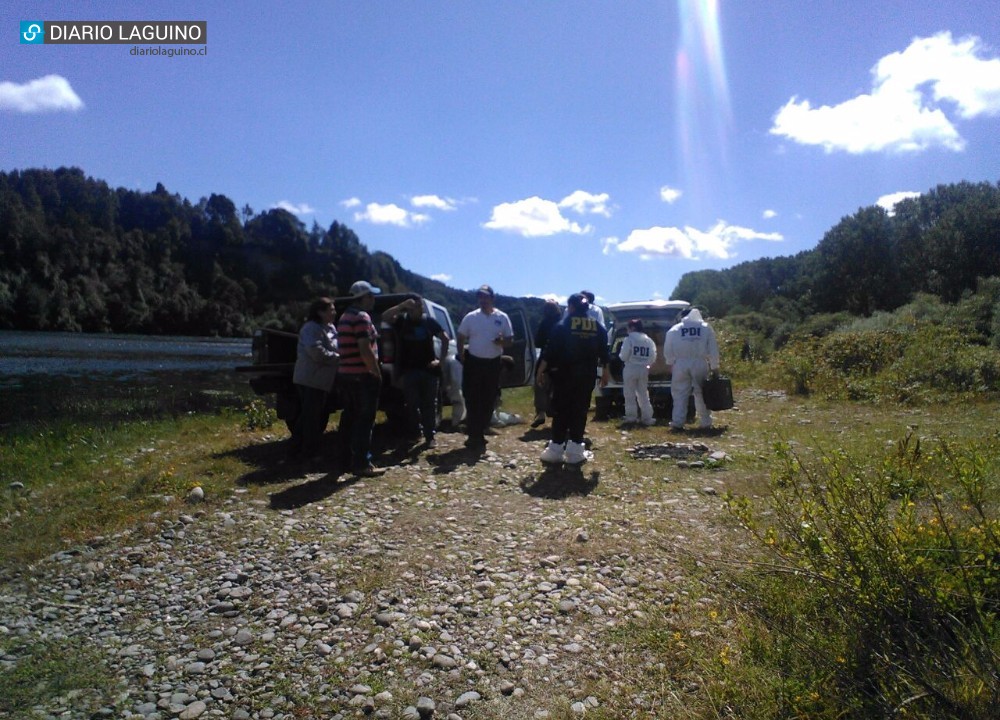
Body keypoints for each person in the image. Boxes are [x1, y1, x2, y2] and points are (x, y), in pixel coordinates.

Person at [537, 293, 610, 465]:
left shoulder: (563, 324)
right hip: (586, 376)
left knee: (561, 409)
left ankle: (555, 448)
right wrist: (606, 372)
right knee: (580, 410)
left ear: (570, 307)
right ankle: (575, 449)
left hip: (564, 374)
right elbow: (604, 352)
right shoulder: (597, 327)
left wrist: (541, 370)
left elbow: (550, 350)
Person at [382, 295, 450, 448]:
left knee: (430, 404)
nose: (417, 310)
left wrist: (441, 361)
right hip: (408, 370)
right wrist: (401, 306)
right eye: (413, 307)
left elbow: (445, 337)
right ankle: (415, 433)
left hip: (429, 369)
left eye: (419, 307)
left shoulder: (429, 321)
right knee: (411, 405)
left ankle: (430, 436)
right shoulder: (402, 321)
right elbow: (385, 317)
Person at [336, 280, 384, 476]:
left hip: (345, 375)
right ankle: (362, 463)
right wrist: (375, 372)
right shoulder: (362, 317)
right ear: (363, 297)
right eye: (371, 296)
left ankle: (344, 460)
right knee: (365, 419)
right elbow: (365, 348)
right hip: (362, 376)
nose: (373, 299)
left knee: (349, 417)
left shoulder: (344, 316)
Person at [456, 285, 513, 450]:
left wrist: (501, 342)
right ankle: (474, 434)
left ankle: (480, 430)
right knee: (472, 397)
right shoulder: (471, 317)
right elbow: (461, 337)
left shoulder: (502, 317)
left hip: (493, 362)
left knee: (489, 398)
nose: (482, 300)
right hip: (474, 362)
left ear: (492, 298)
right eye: (480, 297)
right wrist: (462, 355)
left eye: (485, 297)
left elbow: (510, 340)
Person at [287, 297, 339, 462]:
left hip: (322, 380)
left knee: (311, 415)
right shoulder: (311, 328)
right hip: (310, 379)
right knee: (310, 417)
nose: (334, 312)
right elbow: (317, 353)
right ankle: (306, 453)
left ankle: (297, 449)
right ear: (320, 312)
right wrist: (341, 358)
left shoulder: (330, 327)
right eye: (331, 310)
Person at [662, 307, 720, 431]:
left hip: (680, 363)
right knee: (701, 393)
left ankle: (677, 423)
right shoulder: (705, 327)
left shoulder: (674, 329)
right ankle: (705, 422)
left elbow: (667, 349)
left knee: (679, 394)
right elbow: (713, 350)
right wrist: (714, 367)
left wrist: (670, 362)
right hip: (699, 362)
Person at [619, 318, 657, 427]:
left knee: (629, 393)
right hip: (644, 369)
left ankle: (631, 417)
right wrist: (646, 363)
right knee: (643, 394)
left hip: (631, 368)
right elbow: (653, 356)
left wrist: (623, 357)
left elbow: (624, 355)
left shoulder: (629, 339)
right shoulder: (648, 340)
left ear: (632, 327)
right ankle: (647, 417)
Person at [531, 299, 562, 428]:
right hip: (562, 359)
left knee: (540, 384)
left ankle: (541, 413)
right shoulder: (564, 322)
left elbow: (538, 342)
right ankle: (557, 412)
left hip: (546, 357)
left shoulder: (544, 323)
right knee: (559, 387)